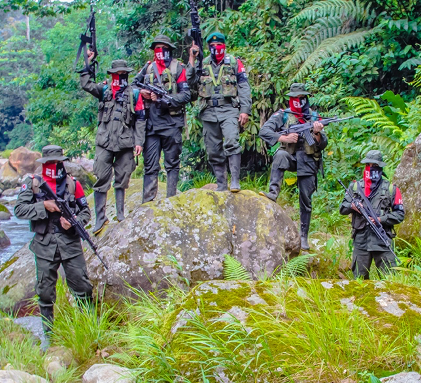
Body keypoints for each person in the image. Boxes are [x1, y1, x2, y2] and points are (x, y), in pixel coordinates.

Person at [13, 145, 94, 344]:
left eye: (58, 162)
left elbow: (86, 212)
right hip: (44, 243)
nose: (54, 165)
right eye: (50, 162)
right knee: (45, 291)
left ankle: (90, 330)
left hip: (70, 243)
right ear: (44, 163)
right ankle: (48, 337)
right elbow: (19, 210)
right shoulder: (32, 183)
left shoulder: (72, 184)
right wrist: (44, 206)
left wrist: (74, 221)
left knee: (82, 286)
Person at [80, 55, 146, 233]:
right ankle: (100, 218)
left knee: (122, 178)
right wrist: (87, 62)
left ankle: (120, 214)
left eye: (124, 74)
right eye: (117, 74)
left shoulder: (134, 94)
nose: (120, 77)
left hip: (125, 143)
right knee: (101, 177)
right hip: (104, 142)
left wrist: (139, 142)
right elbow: (86, 85)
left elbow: (140, 119)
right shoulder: (104, 90)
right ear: (111, 75)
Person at [258, 83, 327, 250]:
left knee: (306, 200)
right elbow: (264, 131)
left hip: (309, 161)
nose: (299, 102)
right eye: (296, 98)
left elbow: (323, 143)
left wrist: (317, 133)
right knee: (280, 155)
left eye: (302, 98)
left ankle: (304, 236)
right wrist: (284, 138)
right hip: (290, 157)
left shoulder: (314, 116)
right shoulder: (283, 115)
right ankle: (273, 192)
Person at [187, 32, 252, 192]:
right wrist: (192, 59)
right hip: (208, 111)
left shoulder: (234, 63)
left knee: (231, 141)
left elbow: (244, 86)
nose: (216, 48)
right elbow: (189, 83)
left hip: (229, 109)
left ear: (224, 46)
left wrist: (245, 110)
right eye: (213, 46)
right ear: (209, 47)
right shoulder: (203, 63)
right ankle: (221, 184)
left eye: (219, 45)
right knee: (213, 149)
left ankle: (235, 181)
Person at [132, 34, 192, 201]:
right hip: (151, 125)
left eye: (163, 49)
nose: (160, 52)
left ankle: (171, 200)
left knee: (172, 164)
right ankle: (147, 203)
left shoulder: (177, 68)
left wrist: (166, 101)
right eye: (157, 49)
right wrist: (141, 93)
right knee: (150, 165)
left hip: (171, 123)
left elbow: (186, 95)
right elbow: (132, 86)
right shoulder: (148, 68)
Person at [338, 150, 405, 279]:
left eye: (374, 166)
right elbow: (342, 209)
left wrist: (381, 219)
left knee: (390, 280)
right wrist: (353, 206)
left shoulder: (391, 189)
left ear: (380, 167)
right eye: (368, 165)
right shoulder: (355, 187)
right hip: (361, 241)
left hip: (382, 240)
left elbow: (400, 214)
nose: (371, 169)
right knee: (359, 281)